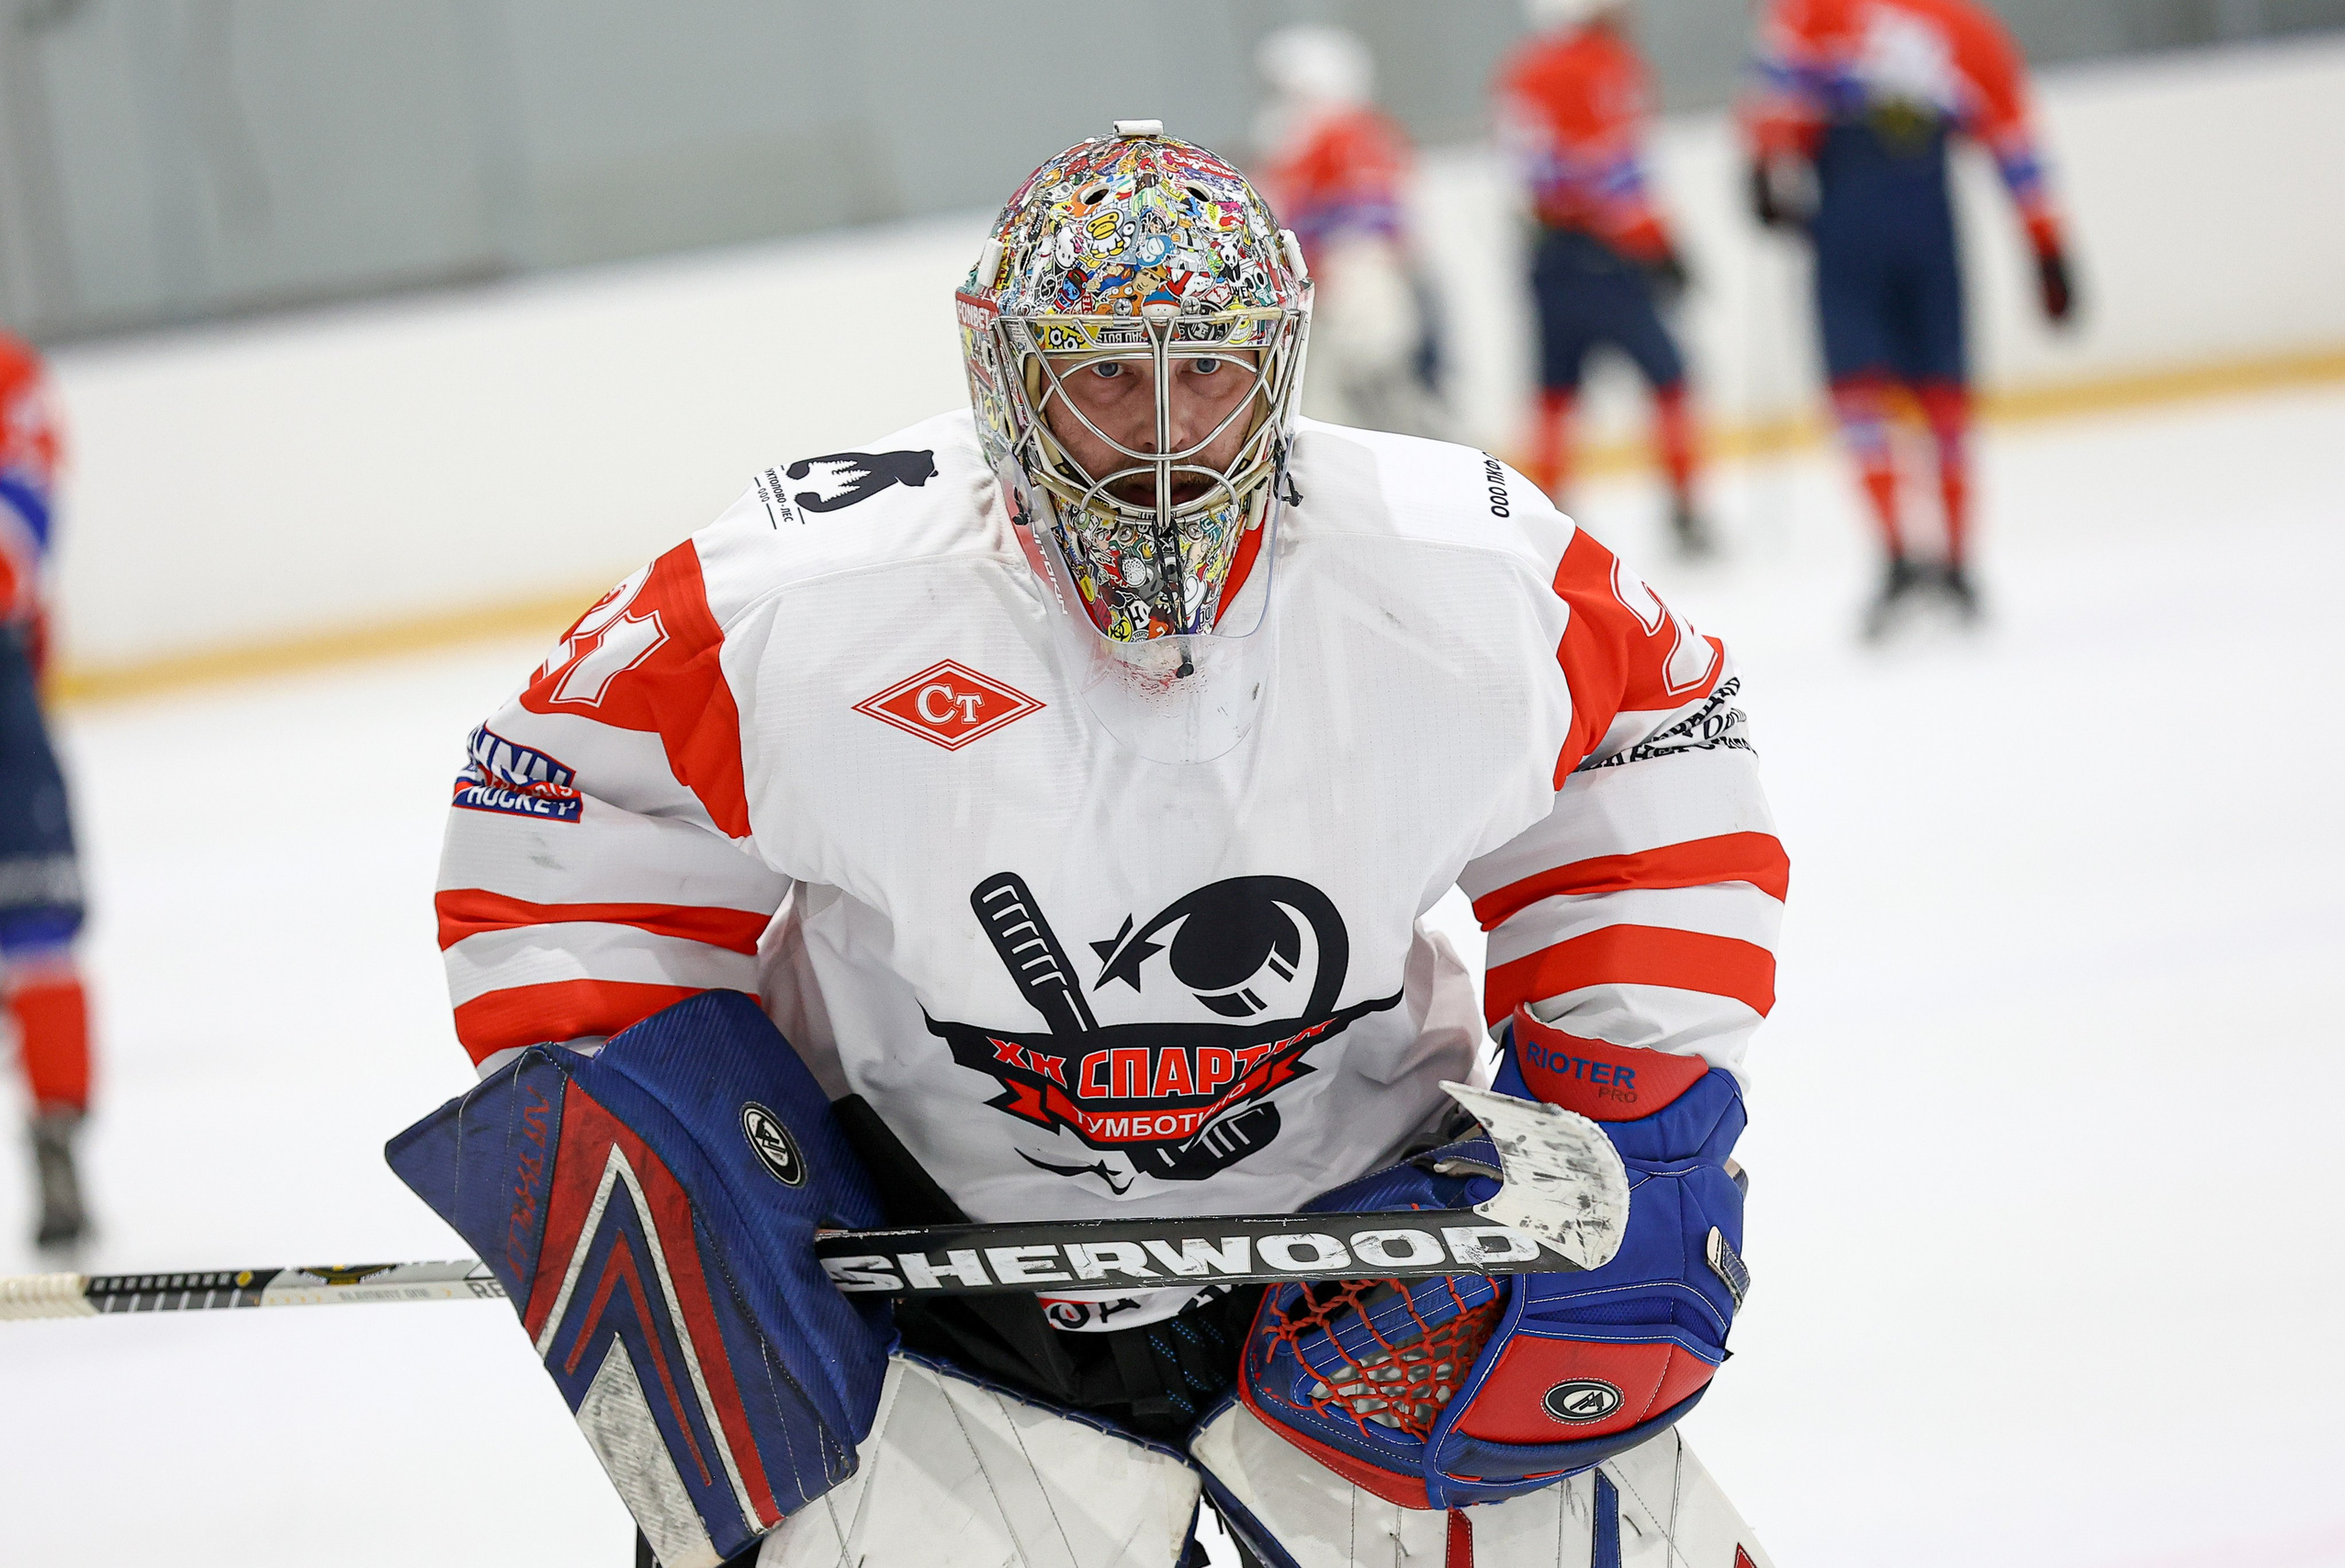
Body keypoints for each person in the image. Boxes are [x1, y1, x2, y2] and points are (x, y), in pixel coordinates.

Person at [424, 125, 1783, 1567]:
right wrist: (688, 1156)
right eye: (1104, 375)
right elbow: (564, 812)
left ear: (1279, 367)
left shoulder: (1464, 576)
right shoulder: (807, 600)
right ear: (1006, 381)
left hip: (1382, 1251)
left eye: (1206, 369)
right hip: (918, 1280)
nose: (1161, 439)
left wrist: (1627, 1102)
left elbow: (1654, 741)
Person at [1742, 0, 2077, 634]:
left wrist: (1764, 168)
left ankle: (1897, 554)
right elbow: (2012, 137)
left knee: (1857, 391)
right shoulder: (1963, 25)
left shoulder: (1816, 11)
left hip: (1846, 221)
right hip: (1928, 220)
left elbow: (1777, 94)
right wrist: (2046, 242)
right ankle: (1954, 560)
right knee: (1943, 391)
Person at [1497, 0, 1712, 557]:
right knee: (1671, 379)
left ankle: (1541, 512)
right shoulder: (1602, 66)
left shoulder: (1525, 66)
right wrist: (1660, 243)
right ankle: (1686, 510)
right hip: (1606, 252)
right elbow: (1611, 168)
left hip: (1548, 252)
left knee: (1555, 392)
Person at [0, 328, 94, 1250]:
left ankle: (58, 1141)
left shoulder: (9, 372)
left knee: (36, 927)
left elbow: (19, 530)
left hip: (4, 693)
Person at [1252, 24, 1448, 439]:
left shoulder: (1335, 136)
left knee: (1368, 389)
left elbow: (1356, 223)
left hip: (1352, 291)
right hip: (1343, 288)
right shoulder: (1361, 132)